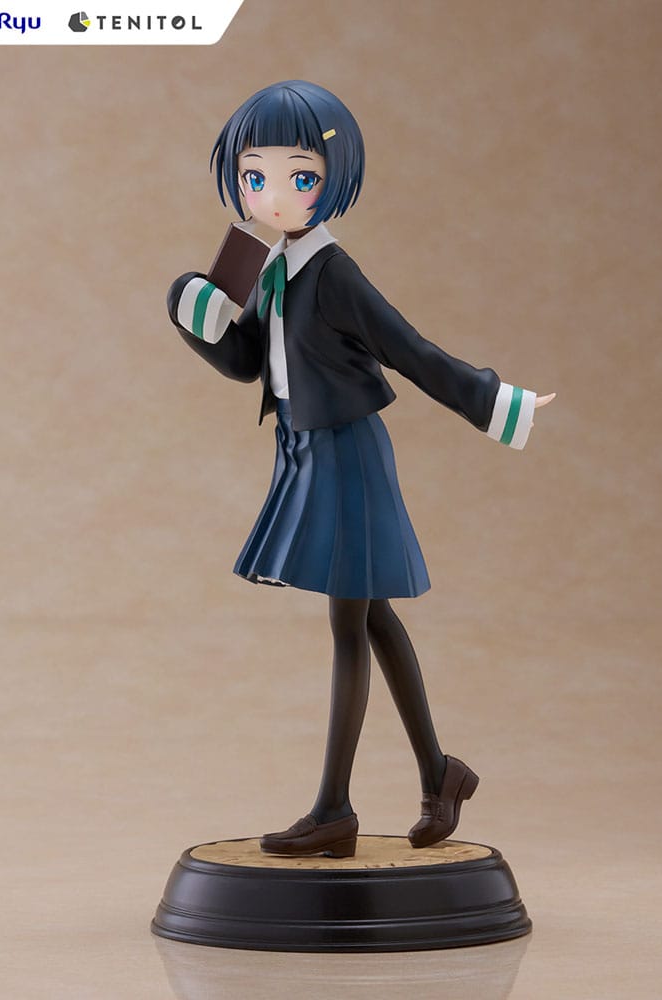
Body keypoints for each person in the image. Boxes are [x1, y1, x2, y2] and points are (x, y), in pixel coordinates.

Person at [167, 80, 555, 858]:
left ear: (333, 178)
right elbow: (248, 363)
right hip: (304, 450)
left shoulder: (333, 272)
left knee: (350, 621)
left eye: (300, 176)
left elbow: (406, 348)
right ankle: (440, 773)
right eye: (255, 176)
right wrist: (193, 313)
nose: (274, 193)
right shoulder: (272, 268)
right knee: (370, 614)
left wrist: (494, 401)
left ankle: (333, 809)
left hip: (346, 451)